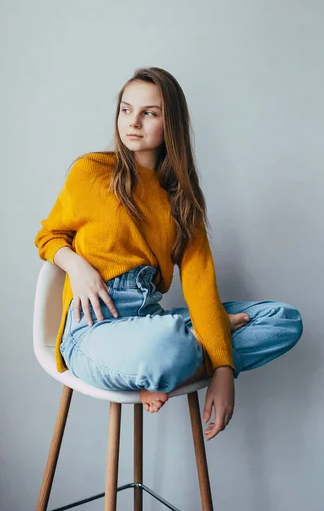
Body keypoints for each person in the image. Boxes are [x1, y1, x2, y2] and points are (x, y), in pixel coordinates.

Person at [34, 67, 303, 442]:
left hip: (149, 318)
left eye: (150, 113)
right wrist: (76, 266)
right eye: (126, 110)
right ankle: (184, 349)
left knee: (284, 319)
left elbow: (200, 284)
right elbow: (49, 236)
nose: (133, 122)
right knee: (169, 344)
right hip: (92, 330)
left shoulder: (180, 199)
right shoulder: (91, 171)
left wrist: (224, 371)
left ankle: (175, 360)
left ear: (170, 123)